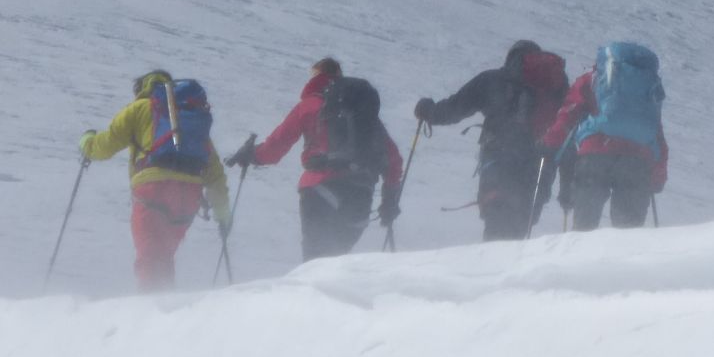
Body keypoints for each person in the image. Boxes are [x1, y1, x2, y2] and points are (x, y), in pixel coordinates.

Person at [228, 58, 404, 260]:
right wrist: (389, 199)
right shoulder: (363, 115)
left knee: (315, 263)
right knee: (337, 262)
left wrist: (252, 155)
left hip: (320, 189)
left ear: (317, 76)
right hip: (360, 196)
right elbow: (394, 158)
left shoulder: (309, 105)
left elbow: (275, 148)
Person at [79, 70, 232, 292]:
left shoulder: (140, 108)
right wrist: (223, 214)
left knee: (149, 254)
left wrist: (86, 142)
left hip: (152, 189)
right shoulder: (190, 121)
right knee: (163, 255)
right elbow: (215, 172)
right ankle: (165, 306)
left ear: (142, 88)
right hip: (188, 195)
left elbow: (105, 146)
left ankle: (150, 310)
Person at [414, 40, 569, 240]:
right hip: (537, 169)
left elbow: (455, 109)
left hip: (499, 162)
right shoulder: (552, 87)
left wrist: (429, 112)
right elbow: (568, 130)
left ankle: (493, 267)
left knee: (496, 225)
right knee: (519, 230)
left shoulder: (493, 80)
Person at [541, 43, 666, 231]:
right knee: (628, 231)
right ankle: (619, 259)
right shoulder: (649, 88)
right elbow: (657, 133)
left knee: (584, 226)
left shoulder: (594, 78)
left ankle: (580, 255)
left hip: (595, 153)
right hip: (638, 160)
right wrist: (658, 176)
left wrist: (550, 142)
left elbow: (569, 112)